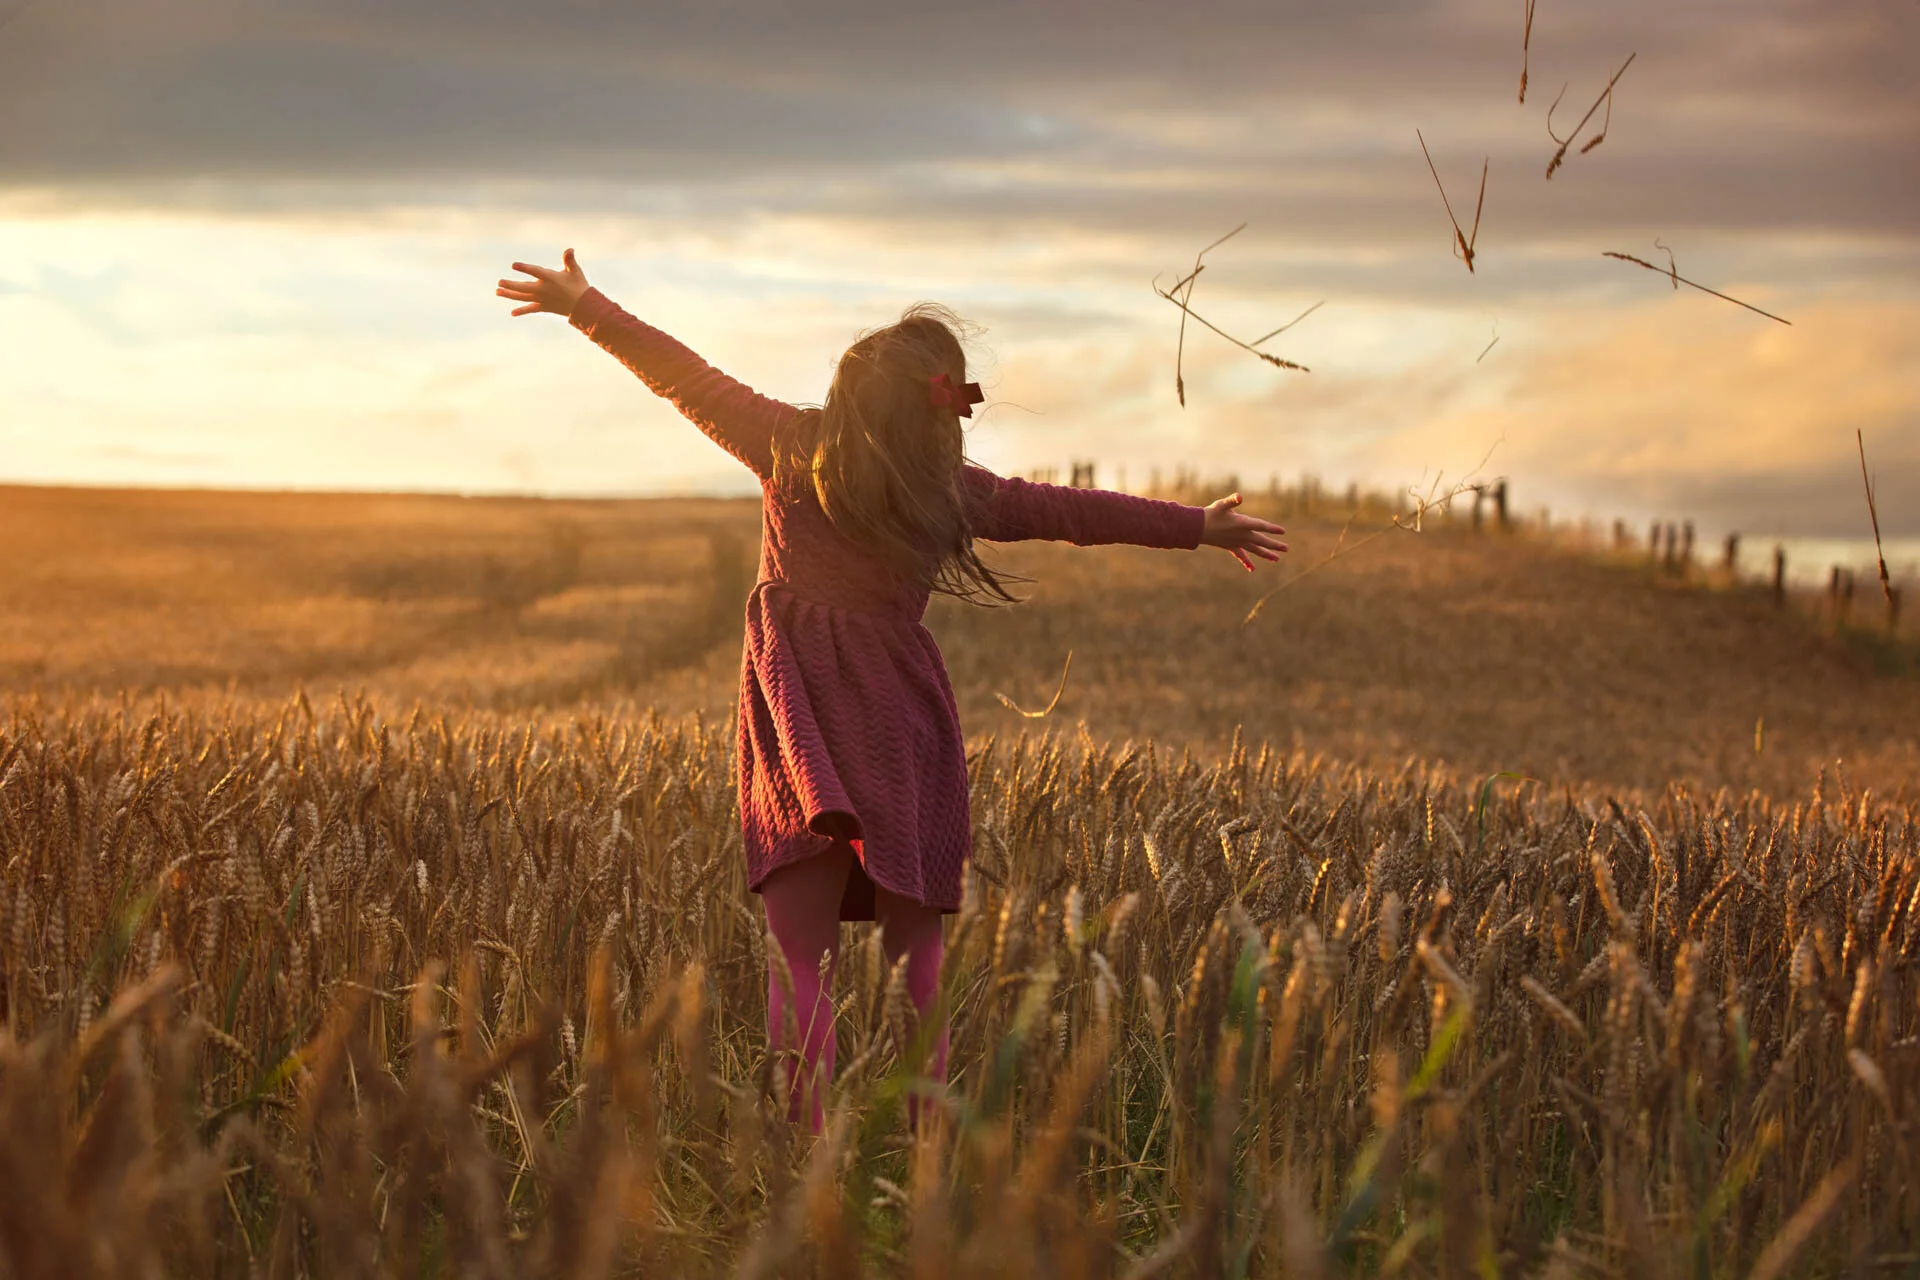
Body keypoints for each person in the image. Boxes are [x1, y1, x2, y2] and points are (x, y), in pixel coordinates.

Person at [496, 250, 1289, 1131]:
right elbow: (1067, 511)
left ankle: (807, 1152)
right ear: (937, 410)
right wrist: (1196, 527)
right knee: (922, 958)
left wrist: (586, 307)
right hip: (902, 721)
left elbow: (685, 377)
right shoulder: (950, 492)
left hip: (801, 724)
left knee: (800, 958)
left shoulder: (789, 447)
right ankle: (928, 1151)